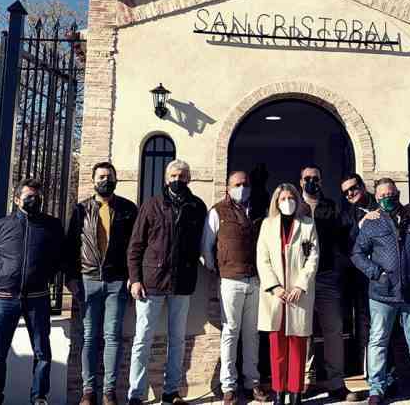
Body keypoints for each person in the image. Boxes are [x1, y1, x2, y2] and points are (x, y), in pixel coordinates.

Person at [351, 178, 410, 405]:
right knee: (378, 341)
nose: (386, 198)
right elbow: (358, 254)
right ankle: (376, 389)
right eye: (381, 195)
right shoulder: (371, 223)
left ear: (398, 193)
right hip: (382, 293)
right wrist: (376, 273)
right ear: (377, 197)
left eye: (390, 194)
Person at [126, 159, 208, 405]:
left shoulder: (197, 207)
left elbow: (203, 243)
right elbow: (136, 245)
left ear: (189, 179)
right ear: (166, 178)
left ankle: (171, 393)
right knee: (143, 339)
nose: (177, 180)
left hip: (181, 282)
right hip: (151, 283)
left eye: (182, 176)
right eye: (173, 176)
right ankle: (136, 395)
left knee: (178, 339)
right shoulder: (151, 206)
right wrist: (135, 279)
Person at [0, 178, 64, 405]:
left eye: (37, 196)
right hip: (5, 299)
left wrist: (45, 276)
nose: (34, 199)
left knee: (42, 353)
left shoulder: (52, 226)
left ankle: (39, 397)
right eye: (28, 196)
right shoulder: (0, 226)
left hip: (38, 298)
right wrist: (1, 278)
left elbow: (59, 258)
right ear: (17, 199)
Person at [64, 161, 138, 405]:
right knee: (88, 338)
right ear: (93, 180)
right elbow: (71, 247)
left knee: (113, 337)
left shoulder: (128, 209)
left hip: (117, 282)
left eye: (109, 176)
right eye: (101, 176)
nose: (105, 180)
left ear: (116, 179)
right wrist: (72, 280)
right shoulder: (81, 210)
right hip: (88, 281)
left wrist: (132, 277)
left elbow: (134, 246)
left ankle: (108, 391)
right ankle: (88, 391)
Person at [201, 171, 268, 404]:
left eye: (245, 184)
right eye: (238, 184)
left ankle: (253, 383)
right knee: (230, 332)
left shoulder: (259, 210)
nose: (242, 187)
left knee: (252, 334)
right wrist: (218, 270)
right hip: (230, 280)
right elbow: (206, 247)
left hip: (255, 280)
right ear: (228, 187)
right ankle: (229, 386)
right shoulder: (217, 211)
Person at [257, 183, 320, 405]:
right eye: (282, 199)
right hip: (276, 296)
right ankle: (278, 391)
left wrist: (300, 286)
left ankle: (295, 393)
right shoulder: (267, 225)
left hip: (298, 294)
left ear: (297, 200)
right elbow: (262, 259)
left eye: (291, 198)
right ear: (276, 202)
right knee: (277, 346)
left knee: (297, 345)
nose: (287, 202)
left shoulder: (308, 224)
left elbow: (313, 258)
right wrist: (275, 287)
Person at [299, 165, 357, 400]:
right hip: (300, 279)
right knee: (303, 331)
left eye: (316, 178)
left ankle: (336, 382)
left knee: (333, 330)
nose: (312, 182)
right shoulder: (293, 206)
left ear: (321, 182)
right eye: (308, 178)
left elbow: (344, 236)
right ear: (300, 181)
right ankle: (305, 380)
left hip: (326, 277)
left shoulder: (331, 207)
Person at [342, 173, 378, 384]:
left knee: (388, 329)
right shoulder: (348, 215)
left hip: (387, 278)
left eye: (353, 188)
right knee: (366, 325)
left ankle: (390, 375)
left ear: (362, 186)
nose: (350, 193)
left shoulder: (381, 204)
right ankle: (371, 375)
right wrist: (362, 223)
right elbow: (347, 244)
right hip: (362, 280)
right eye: (346, 192)